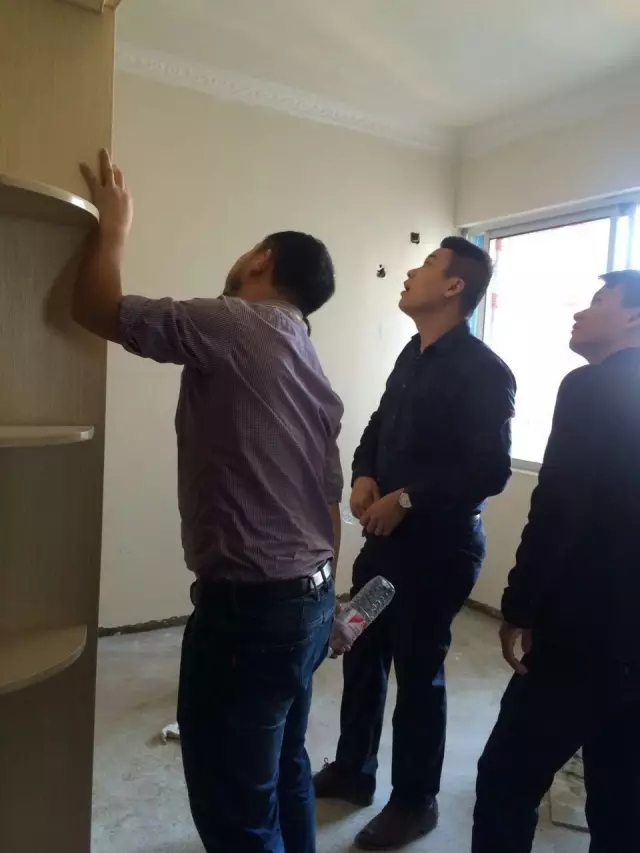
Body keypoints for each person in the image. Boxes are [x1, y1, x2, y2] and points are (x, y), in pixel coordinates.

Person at [74, 150, 344, 853]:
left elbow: (94, 309)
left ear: (262, 259)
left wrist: (113, 226)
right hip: (309, 600)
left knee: (236, 813)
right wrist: (329, 597)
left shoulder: (234, 322)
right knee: (284, 769)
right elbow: (328, 490)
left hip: (251, 615)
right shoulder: (307, 354)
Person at [314, 237, 516, 850]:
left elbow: (489, 471)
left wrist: (407, 499)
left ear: (455, 287)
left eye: (427, 265)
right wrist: (364, 475)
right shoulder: (412, 353)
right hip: (384, 546)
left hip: (439, 551)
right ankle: (354, 772)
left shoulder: (485, 371)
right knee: (360, 650)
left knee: (418, 671)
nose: (411, 271)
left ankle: (414, 802)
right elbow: (380, 425)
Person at [472, 270, 640, 853]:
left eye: (599, 301)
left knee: (507, 779)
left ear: (634, 318)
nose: (580, 312)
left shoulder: (591, 387)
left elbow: (561, 507)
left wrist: (519, 606)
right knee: (622, 796)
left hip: (586, 630)